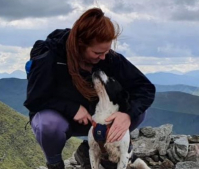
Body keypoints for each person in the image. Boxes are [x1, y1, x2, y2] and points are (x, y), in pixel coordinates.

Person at [24, 8, 155, 169]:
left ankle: (98, 152)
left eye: (106, 51)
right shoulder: (50, 57)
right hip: (64, 121)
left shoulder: (109, 59)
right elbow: (34, 100)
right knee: (48, 124)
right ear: (80, 45)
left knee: (139, 111)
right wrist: (72, 109)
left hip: (99, 120)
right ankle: (55, 163)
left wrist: (127, 115)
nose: (103, 57)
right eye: (97, 53)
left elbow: (145, 88)